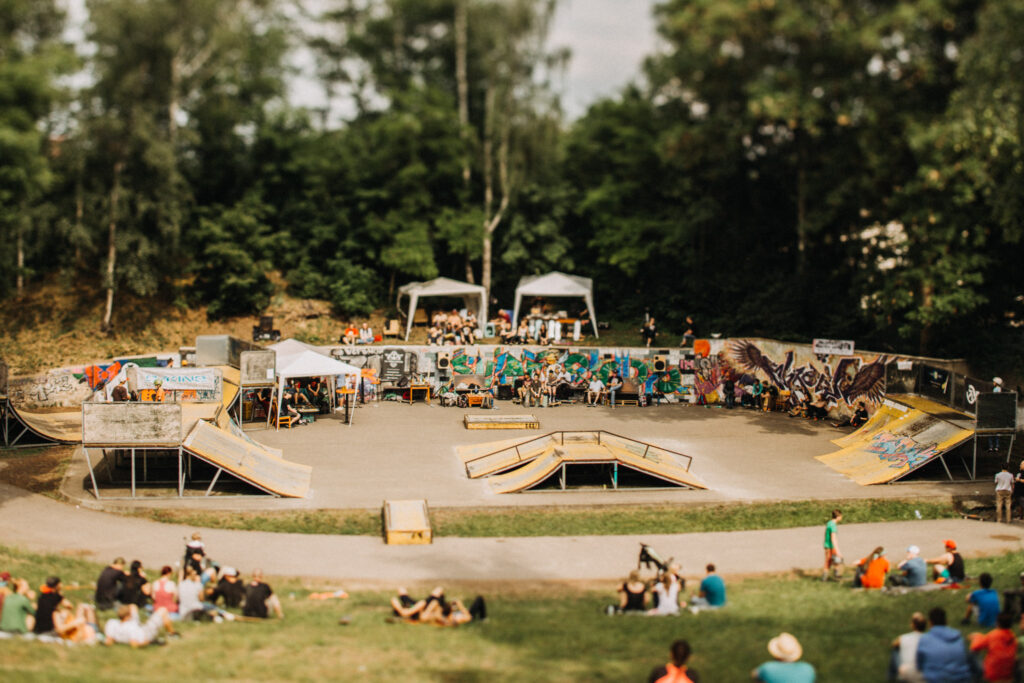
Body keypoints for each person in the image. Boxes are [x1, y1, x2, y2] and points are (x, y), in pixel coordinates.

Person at [916, 607, 974, 683]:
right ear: (946, 621)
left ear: (930, 623)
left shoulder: (925, 639)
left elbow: (919, 665)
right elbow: (968, 660)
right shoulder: (958, 637)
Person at [969, 611, 1016, 683]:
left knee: (972, 654)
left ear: (997, 623)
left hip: (991, 675)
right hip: (1008, 675)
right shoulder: (1013, 637)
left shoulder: (994, 635)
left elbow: (975, 647)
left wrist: (976, 637)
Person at [104, 603, 178, 647]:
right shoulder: (131, 628)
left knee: (133, 606)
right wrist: (149, 642)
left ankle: (171, 633)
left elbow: (108, 641)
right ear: (127, 616)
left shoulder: (112, 623)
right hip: (146, 632)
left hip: (137, 627)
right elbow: (134, 644)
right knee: (163, 610)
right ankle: (172, 633)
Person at [890, 612, 927, 683]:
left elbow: (894, 644)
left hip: (907, 675)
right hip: (925, 675)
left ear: (913, 625)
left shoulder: (904, 638)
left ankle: (891, 677)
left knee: (895, 650)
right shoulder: (930, 639)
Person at [823, 509, 842, 581]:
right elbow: (833, 539)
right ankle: (825, 577)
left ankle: (835, 575)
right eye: (840, 516)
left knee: (832, 561)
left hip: (826, 544)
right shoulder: (833, 526)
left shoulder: (829, 523)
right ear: (838, 516)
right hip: (830, 546)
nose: (841, 518)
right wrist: (838, 551)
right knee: (830, 561)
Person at [988, 377, 1004, 451]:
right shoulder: (999, 389)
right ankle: (995, 446)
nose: (993, 383)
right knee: (995, 430)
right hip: (996, 411)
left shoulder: (996, 389)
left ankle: (992, 446)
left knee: (992, 430)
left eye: (994, 382)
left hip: (994, 411)